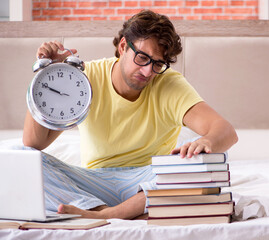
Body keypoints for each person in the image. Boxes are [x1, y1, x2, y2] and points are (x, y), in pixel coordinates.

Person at [23, 10, 238, 219]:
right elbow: (34, 142)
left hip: (149, 180)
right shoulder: (85, 79)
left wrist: (206, 140)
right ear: (123, 46)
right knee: (20, 157)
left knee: (210, 156)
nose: (148, 72)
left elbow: (226, 131)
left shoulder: (169, 84)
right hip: (94, 183)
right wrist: (47, 73)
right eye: (143, 58)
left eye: (158, 64)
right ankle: (103, 208)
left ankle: (110, 213)